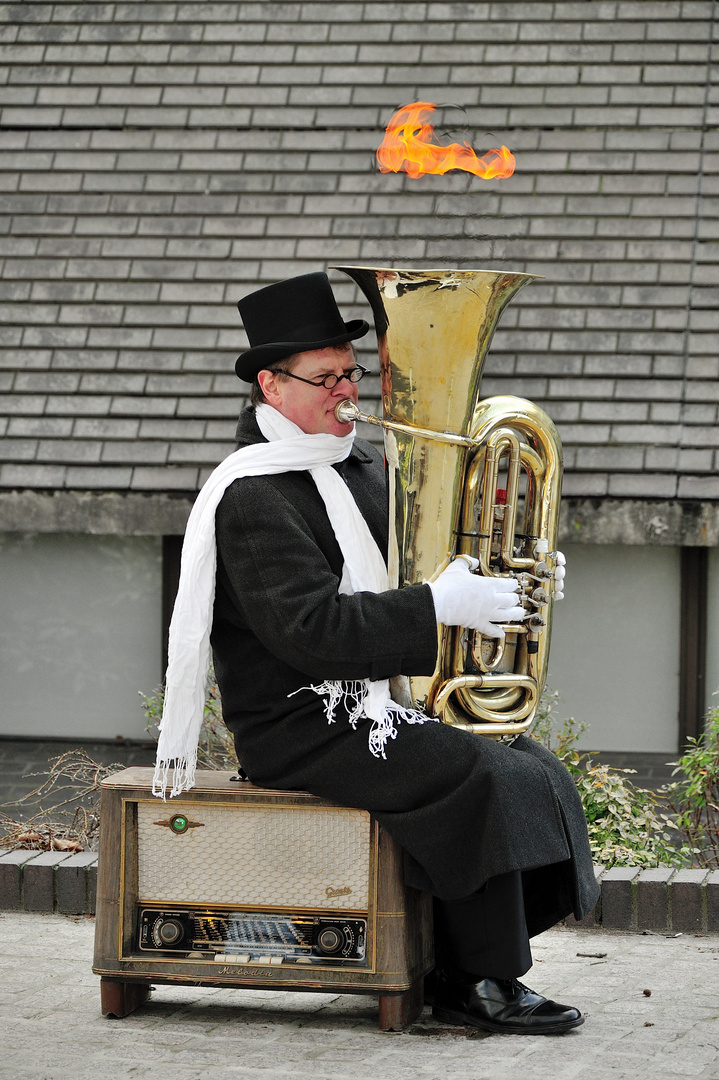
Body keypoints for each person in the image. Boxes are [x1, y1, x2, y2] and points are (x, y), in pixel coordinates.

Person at [156, 271, 599, 1037]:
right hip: (298, 723)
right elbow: (312, 633)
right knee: (475, 772)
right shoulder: (253, 497)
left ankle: (450, 955)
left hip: (372, 702)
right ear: (271, 384)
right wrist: (438, 608)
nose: (345, 392)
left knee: (531, 763)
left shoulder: (356, 466)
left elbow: (423, 572)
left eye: (350, 373)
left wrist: (512, 579)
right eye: (324, 378)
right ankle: (476, 981)